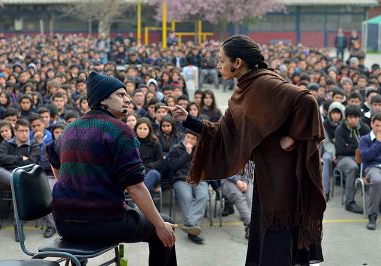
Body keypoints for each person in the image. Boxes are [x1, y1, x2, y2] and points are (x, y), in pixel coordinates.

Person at [166, 35, 325, 266]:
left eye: (221, 60)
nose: (218, 65)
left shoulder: (265, 83)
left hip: (283, 175)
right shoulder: (243, 90)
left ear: (237, 62)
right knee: (265, 232)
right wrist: (188, 119)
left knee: (277, 232)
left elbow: (307, 100)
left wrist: (293, 136)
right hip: (265, 173)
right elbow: (221, 131)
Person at [46, 72, 177, 266]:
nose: (128, 99)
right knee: (165, 224)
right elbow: (136, 187)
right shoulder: (120, 131)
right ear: (103, 100)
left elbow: (54, 160)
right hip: (104, 223)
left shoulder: (70, 128)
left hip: (64, 224)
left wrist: (73, 188)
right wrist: (160, 226)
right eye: (121, 95)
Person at [358, 112, 381, 230]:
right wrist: (378, 142)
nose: (379, 129)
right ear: (371, 124)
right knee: (377, 180)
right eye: (377, 125)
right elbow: (366, 156)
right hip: (371, 167)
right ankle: (372, 216)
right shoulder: (364, 139)